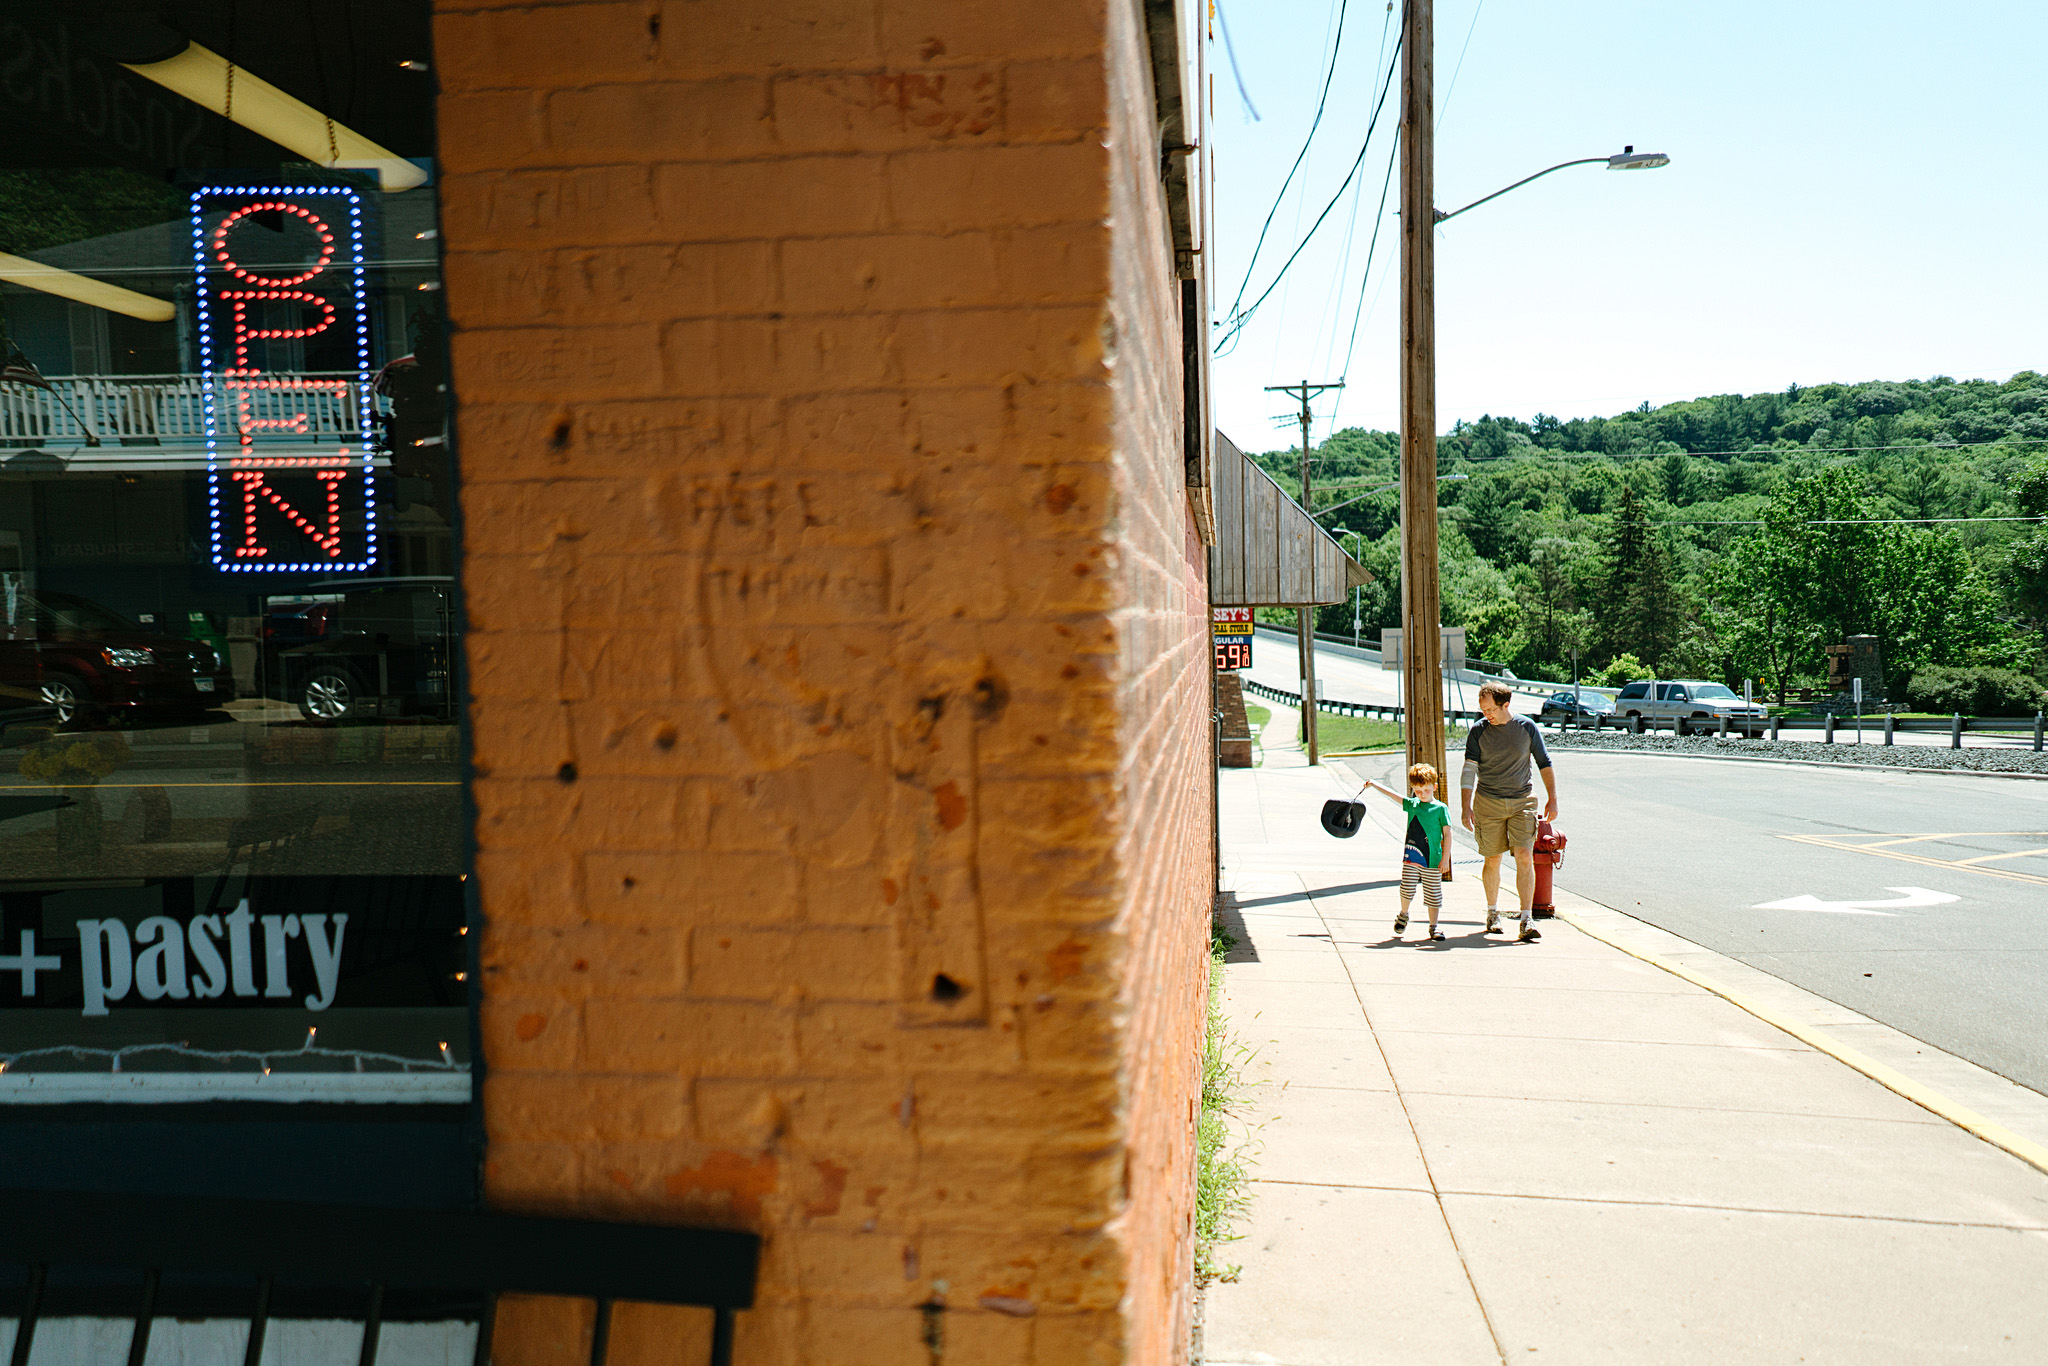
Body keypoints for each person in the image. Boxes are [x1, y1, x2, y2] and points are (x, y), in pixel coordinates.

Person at [1459, 680, 1558, 942]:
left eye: (1490, 709)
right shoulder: (1478, 732)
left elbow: (1544, 763)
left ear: (1506, 705)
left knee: (1525, 855)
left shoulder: (1526, 727)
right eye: (1483, 710)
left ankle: (1526, 919)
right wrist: (1465, 805)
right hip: (1488, 802)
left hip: (1522, 801)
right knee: (1493, 858)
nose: (1486, 715)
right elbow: (1469, 769)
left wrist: (1553, 798)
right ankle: (1492, 913)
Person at [1361, 762, 1453, 943]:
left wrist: (1446, 859)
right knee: (1407, 889)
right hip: (1411, 858)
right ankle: (1403, 914)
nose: (1422, 794)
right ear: (1413, 789)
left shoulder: (1441, 808)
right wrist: (1374, 784)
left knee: (1433, 893)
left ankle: (1434, 926)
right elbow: (1393, 796)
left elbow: (1448, 833)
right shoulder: (1413, 804)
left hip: (1432, 860)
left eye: (1426, 790)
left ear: (1434, 787)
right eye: (1418, 790)